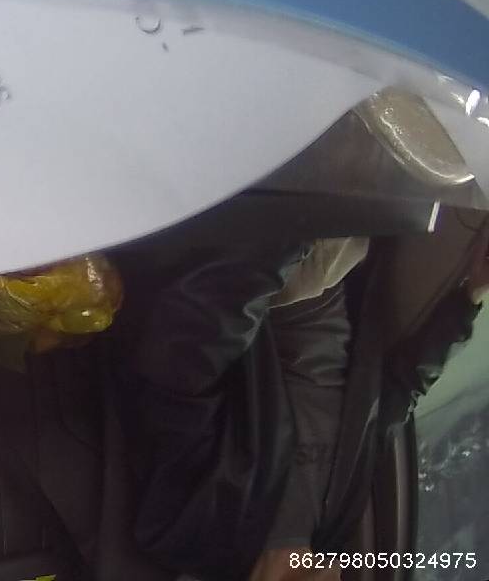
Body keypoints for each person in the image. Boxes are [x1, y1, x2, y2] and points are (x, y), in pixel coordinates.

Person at [117, 234, 487, 581]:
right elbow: (399, 394)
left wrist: (284, 246)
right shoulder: (335, 523)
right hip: (337, 276)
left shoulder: (199, 529)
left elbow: (182, 365)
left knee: (376, 199)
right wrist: (471, 296)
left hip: (260, 287)